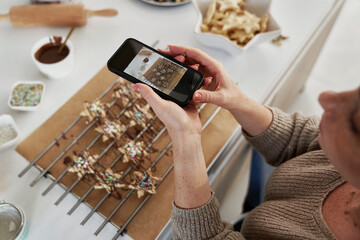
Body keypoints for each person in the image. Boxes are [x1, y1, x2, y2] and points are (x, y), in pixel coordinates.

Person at [131, 45, 360, 240]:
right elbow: (299, 139)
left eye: (355, 124)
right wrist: (236, 99)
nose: (325, 98)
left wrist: (185, 136)